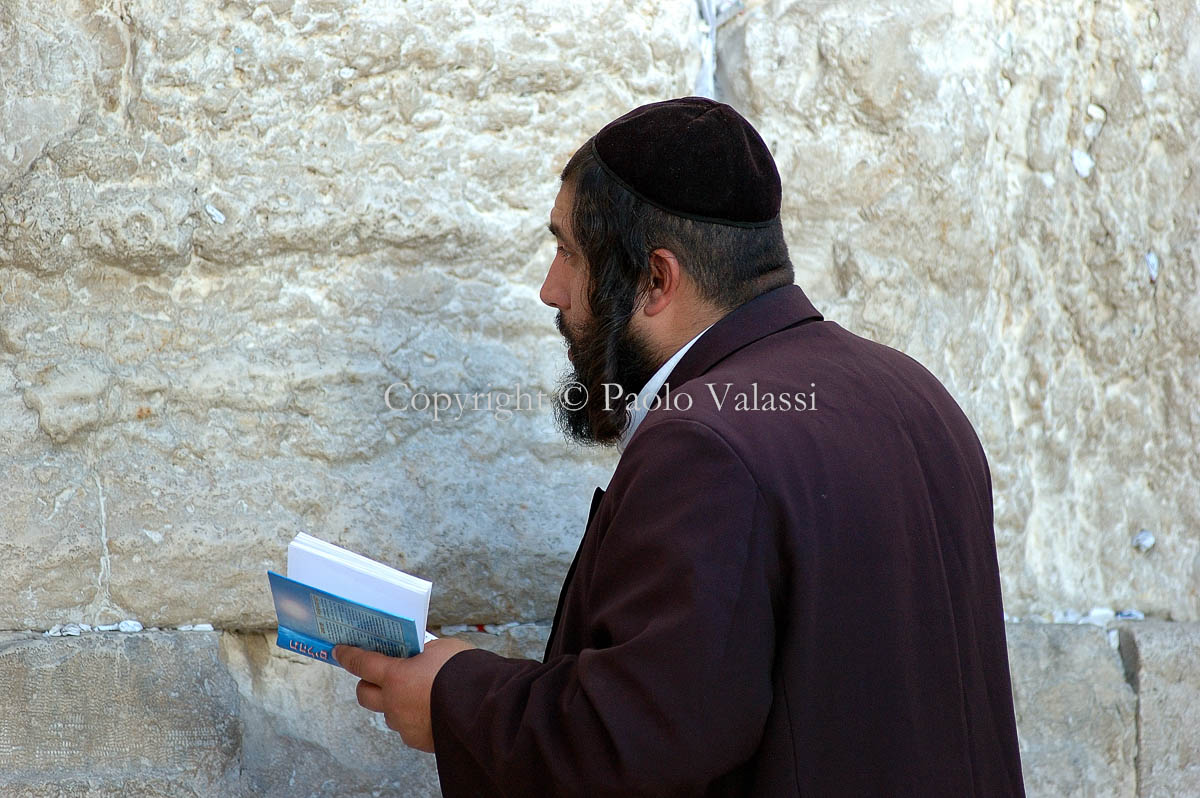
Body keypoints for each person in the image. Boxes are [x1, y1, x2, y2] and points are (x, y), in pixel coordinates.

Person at [335, 97, 1027, 797]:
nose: (552, 290)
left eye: (569, 252)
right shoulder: (915, 392)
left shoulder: (703, 442)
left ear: (657, 281)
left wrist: (453, 697)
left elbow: (643, 742)